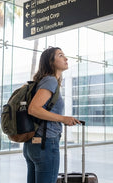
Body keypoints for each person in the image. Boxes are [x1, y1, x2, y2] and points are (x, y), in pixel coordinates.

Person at [23, 47, 81, 183]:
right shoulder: (50, 81)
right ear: (51, 62)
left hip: (33, 144)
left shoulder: (41, 81)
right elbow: (34, 109)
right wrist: (63, 119)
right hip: (46, 143)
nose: (66, 58)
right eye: (61, 55)